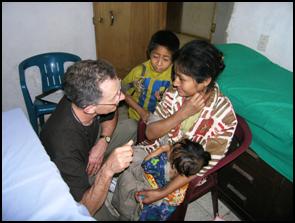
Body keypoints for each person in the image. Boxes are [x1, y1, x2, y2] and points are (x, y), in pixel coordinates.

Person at [111, 40, 238, 220]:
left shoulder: (224, 118)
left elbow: (198, 169)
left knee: (151, 199)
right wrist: (182, 114)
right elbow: (150, 134)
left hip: (183, 172)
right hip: (157, 149)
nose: (174, 82)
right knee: (127, 163)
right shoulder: (173, 93)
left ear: (205, 81)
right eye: (175, 75)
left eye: (182, 79)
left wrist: (162, 192)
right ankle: (124, 210)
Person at [39, 59, 137, 219]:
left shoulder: (82, 95)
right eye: (115, 96)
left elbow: (112, 112)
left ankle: (104, 177)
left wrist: (103, 141)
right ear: (91, 108)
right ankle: (101, 180)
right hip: (76, 173)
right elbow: (85, 208)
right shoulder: (62, 146)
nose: (122, 97)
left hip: (91, 147)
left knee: (131, 126)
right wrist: (108, 171)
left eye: (118, 90)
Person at [111, 138, 211, 221]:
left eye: (172, 148)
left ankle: (122, 211)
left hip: (149, 195)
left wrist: (162, 149)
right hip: (166, 206)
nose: (170, 146)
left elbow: (146, 163)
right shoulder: (186, 172)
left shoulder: (161, 165)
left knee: (129, 174)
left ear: (173, 162)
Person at [122, 30, 180, 123]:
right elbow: (122, 91)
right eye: (155, 57)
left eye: (165, 59)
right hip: (136, 116)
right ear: (149, 53)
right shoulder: (139, 72)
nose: (159, 63)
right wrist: (141, 112)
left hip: (161, 118)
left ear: (173, 60)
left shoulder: (175, 75)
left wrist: (163, 99)